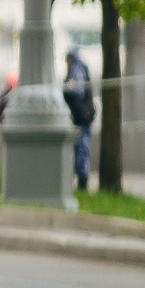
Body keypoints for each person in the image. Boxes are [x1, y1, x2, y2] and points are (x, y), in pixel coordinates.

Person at [62, 49, 96, 192]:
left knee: (81, 147)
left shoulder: (76, 70)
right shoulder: (81, 69)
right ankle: (81, 179)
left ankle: (82, 181)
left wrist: (67, 91)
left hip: (80, 116)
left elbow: (77, 91)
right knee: (81, 147)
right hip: (82, 115)